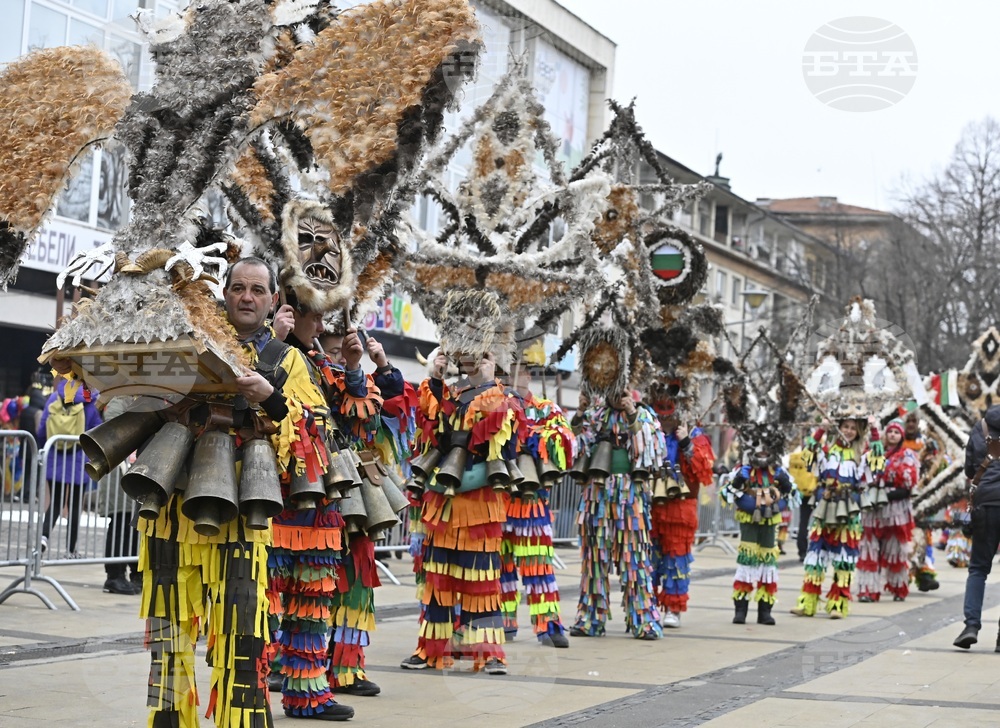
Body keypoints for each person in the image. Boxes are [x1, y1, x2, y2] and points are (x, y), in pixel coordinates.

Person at [400, 349, 522, 674]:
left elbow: (506, 445)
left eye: (479, 355)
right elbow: (428, 432)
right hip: (443, 503)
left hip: (480, 504)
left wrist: (487, 382)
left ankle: (489, 653)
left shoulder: (501, 396)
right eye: (465, 354)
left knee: (482, 581)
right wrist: (435, 379)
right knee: (438, 580)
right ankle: (431, 650)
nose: (470, 360)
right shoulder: (448, 392)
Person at [572, 391, 665, 640]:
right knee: (593, 559)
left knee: (634, 560)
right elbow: (575, 448)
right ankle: (590, 618)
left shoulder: (644, 414)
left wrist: (632, 414)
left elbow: (653, 451)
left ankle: (643, 620)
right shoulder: (595, 415)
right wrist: (579, 414)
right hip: (596, 494)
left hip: (630, 495)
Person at [499, 360, 573, 647]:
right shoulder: (493, 404)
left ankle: (549, 626)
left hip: (532, 502)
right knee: (499, 563)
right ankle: (504, 622)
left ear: (528, 375)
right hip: (500, 496)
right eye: (505, 373)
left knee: (539, 564)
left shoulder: (546, 409)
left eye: (516, 372)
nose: (510, 378)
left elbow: (566, 442)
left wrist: (539, 436)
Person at [791, 417, 875, 619]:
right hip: (824, 507)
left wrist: (875, 431)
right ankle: (808, 603)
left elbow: (876, 464)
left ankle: (838, 604)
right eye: (845, 426)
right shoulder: (827, 452)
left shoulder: (859, 455)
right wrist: (821, 429)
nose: (848, 431)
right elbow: (808, 454)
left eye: (853, 428)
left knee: (843, 559)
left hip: (847, 510)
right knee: (815, 557)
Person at [649, 411, 715, 629]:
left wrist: (685, 441)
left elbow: (704, 471)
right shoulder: (650, 430)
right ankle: (647, 606)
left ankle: (673, 608)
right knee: (650, 559)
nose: (665, 412)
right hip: (654, 505)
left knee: (676, 558)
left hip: (681, 508)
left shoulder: (696, 435)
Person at [722, 446, 794, 625]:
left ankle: (765, 611)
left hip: (770, 520)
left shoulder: (778, 471)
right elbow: (726, 493)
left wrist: (786, 485)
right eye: (759, 450)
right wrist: (737, 482)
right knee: (747, 560)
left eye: (766, 450)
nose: (762, 455)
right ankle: (741, 610)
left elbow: (792, 494)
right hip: (749, 519)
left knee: (768, 563)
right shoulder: (742, 469)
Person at [37, 377, 102, 557]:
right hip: (79, 460)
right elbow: (97, 430)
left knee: (55, 503)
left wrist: (47, 447)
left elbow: (42, 428)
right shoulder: (90, 402)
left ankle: (42, 540)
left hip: (55, 457)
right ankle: (71, 550)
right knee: (74, 506)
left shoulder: (54, 398)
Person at [954, 404, 1000, 650]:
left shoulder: (981, 426)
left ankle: (971, 625)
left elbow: (971, 469)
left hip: (986, 504)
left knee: (979, 569)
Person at [857, 419, 918, 602]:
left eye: (896, 432)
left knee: (896, 549)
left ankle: (898, 587)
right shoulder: (873, 452)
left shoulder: (907, 455)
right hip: (872, 509)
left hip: (895, 510)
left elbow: (909, 483)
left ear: (902, 436)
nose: (892, 435)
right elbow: (862, 474)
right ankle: (868, 590)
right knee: (869, 548)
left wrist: (889, 493)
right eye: (890, 431)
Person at [97, 395, 141, 595]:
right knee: (120, 525)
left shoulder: (136, 399)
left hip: (131, 472)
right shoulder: (119, 400)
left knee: (134, 527)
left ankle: (135, 572)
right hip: (119, 473)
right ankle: (115, 575)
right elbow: (115, 425)